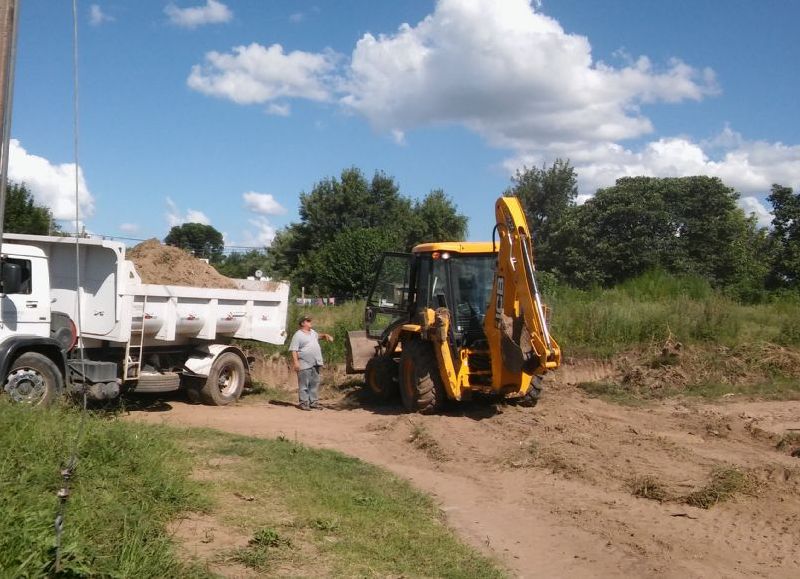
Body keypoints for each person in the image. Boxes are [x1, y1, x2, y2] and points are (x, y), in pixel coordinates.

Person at [288, 314, 333, 411]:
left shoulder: (312, 332)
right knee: (304, 384)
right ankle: (304, 403)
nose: (310, 322)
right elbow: (294, 350)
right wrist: (296, 363)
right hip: (304, 363)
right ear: (303, 323)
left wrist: (325, 335)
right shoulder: (298, 335)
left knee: (314, 383)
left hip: (315, 362)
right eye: (308, 321)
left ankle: (314, 402)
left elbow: (318, 336)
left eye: (310, 320)